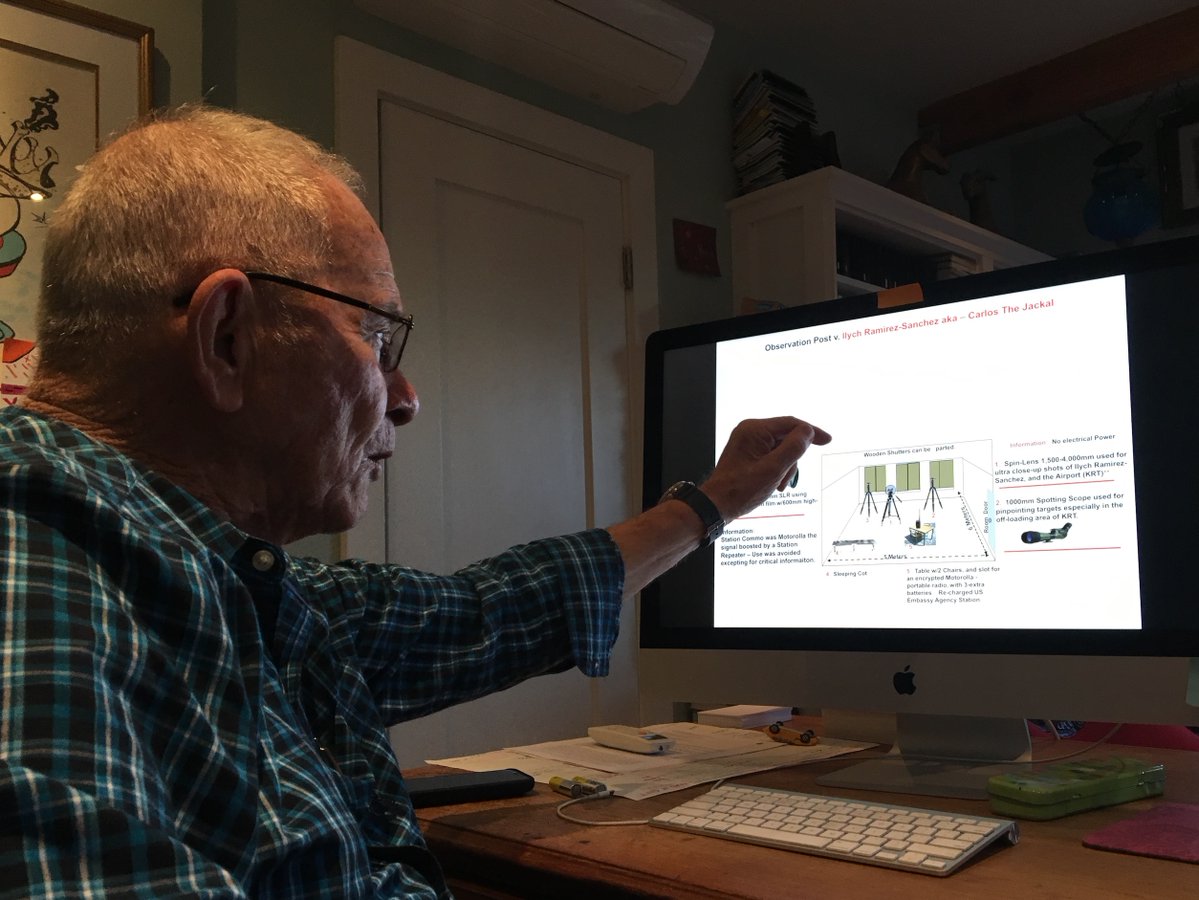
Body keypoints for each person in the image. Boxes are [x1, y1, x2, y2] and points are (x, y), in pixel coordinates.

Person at [0, 105, 830, 898]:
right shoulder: (35, 584)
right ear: (227, 337)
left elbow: (490, 612)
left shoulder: (234, 587)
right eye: (375, 336)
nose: (405, 397)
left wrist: (715, 501)